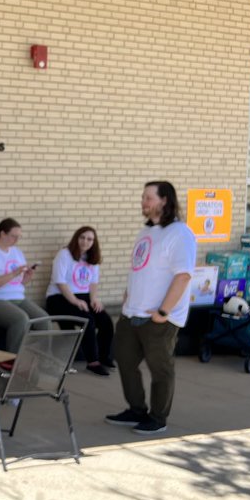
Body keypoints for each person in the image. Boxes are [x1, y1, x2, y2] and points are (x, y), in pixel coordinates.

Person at [105, 181, 196, 435]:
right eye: (143, 197)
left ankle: (158, 417)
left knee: (160, 369)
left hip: (158, 318)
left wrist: (163, 312)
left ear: (164, 200)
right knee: (124, 361)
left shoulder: (180, 233)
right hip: (132, 312)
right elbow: (140, 269)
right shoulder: (146, 232)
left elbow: (183, 276)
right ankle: (136, 409)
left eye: (148, 198)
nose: (143, 202)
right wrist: (127, 297)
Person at [0, 218, 52, 352]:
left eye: (18, 237)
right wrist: (13, 273)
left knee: (44, 319)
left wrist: (27, 277)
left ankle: (43, 360)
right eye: (13, 236)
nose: (16, 240)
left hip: (17, 297)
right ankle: (13, 361)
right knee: (21, 320)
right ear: (2, 234)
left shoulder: (17, 252)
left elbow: (19, 283)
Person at [45, 226, 115, 376]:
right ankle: (93, 362)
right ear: (76, 238)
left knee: (106, 321)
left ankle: (104, 357)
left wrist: (94, 299)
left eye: (89, 239)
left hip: (83, 297)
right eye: (82, 237)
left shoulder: (92, 258)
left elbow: (93, 283)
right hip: (59, 298)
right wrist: (75, 301)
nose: (85, 241)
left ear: (93, 242)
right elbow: (60, 282)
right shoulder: (64, 254)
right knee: (88, 321)